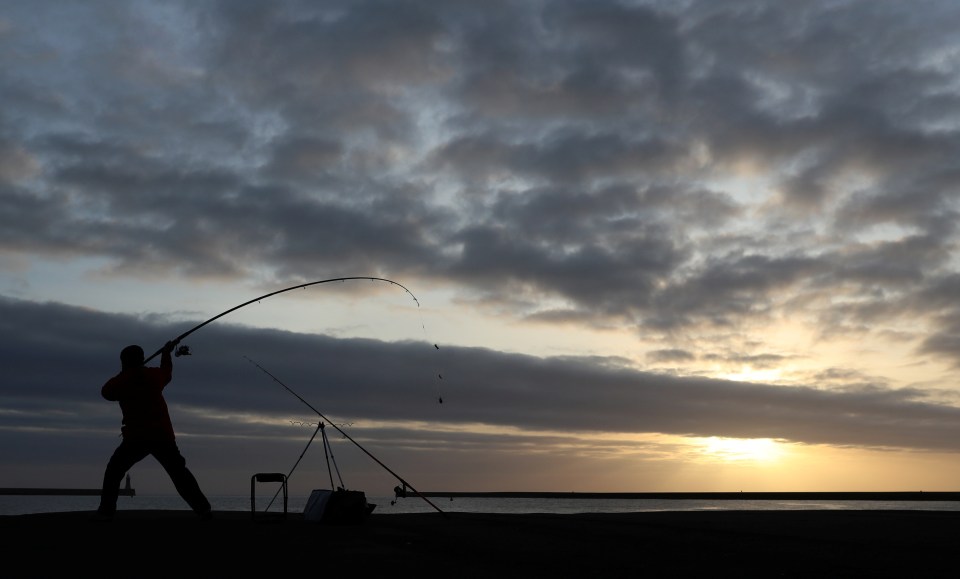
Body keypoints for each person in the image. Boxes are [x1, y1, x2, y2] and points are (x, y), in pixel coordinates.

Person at [96, 339, 212, 520]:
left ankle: (106, 511)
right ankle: (203, 509)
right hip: (161, 435)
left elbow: (106, 392)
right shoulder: (152, 376)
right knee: (179, 474)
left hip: (136, 438)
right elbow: (167, 372)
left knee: (114, 472)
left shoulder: (122, 381)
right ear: (142, 359)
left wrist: (125, 373)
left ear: (124, 361)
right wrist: (166, 353)